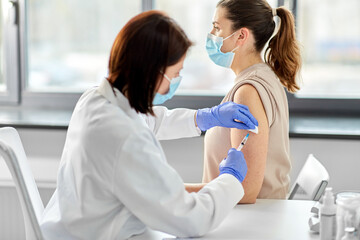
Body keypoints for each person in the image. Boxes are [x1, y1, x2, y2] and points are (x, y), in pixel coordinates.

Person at [40, 10, 258, 239]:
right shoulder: (125, 139)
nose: (176, 82)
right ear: (153, 72)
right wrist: (230, 178)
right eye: (176, 73)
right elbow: (191, 219)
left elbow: (146, 120)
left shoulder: (95, 99)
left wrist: (204, 117)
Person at [185, 0, 301, 203]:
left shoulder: (247, 92)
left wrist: (172, 193)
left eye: (217, 27)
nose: (211, 34)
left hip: (250, 223)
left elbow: (244, 190)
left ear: (241, 35)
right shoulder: (263, 75)